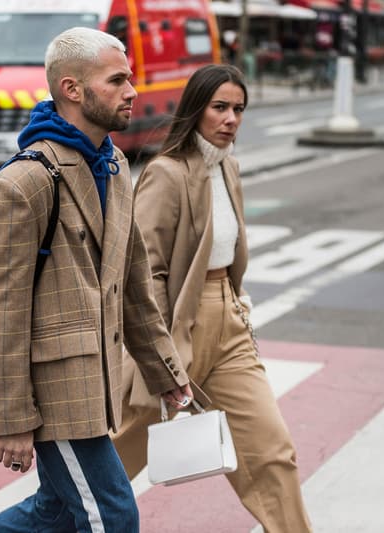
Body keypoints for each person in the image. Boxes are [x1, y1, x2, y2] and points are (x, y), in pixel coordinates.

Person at [0, 27, 194, 533]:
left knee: (54, 512)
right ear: (72, 89)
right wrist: (10, 420)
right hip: (54, 392)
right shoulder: (23, 185)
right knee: (112, 514)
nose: (132, 91)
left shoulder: (113, 165)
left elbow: (133, 284)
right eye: (117, 81)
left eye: (130, 79)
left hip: (97, 385)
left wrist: (165, 371)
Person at [112, 64, 313, 533]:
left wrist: (237, 306)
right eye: (219, 108)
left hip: (229, 320)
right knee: (120, 452)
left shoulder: (229, 168)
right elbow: (144, 272)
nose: (230, 119)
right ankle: (57, 520)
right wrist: (159, 355)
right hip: (177, 324)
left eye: (238, 109)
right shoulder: (167, 173)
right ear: (196, 110)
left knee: (271, 451)